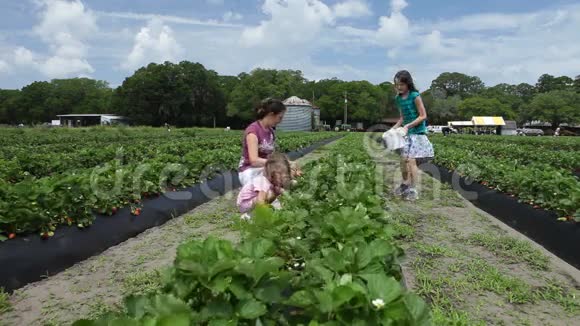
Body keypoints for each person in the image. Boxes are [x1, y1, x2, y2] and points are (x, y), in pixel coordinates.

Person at [390, 70, 434, 201]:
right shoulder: (398, 99)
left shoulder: (415, 96)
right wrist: (392, 130)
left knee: (411, 161)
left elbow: (423, 116)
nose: (399, 87)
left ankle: (414, 189)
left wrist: (408, 126)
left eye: (401, 84)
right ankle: (405, 184)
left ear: (408, 84)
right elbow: (402, 117)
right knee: (403, 161)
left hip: (417, 133)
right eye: (397, 84)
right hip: (406, 133)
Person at [238, 98, 300, 186]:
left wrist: (288, 164)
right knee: (275, 185)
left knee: (289, 179)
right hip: (249, 170)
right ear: (271, 115)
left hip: (264, 168)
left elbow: (273, 157)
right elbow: (254, 161)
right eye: (280, 117)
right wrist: (280, 164)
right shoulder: (253, 131)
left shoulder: (270, 132)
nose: (281, 121)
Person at [237, 153, 292, 217]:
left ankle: (257, 213)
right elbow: (260, 201)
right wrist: (268, 215)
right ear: (272, 173)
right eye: (280, 175)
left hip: (253, 201)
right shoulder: (263, 182)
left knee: (275, 192)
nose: (283, 178)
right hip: (245, 203)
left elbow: (281, 192)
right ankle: (249, 216)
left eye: (285, 175)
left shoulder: (270, 182)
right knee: (268, 195)